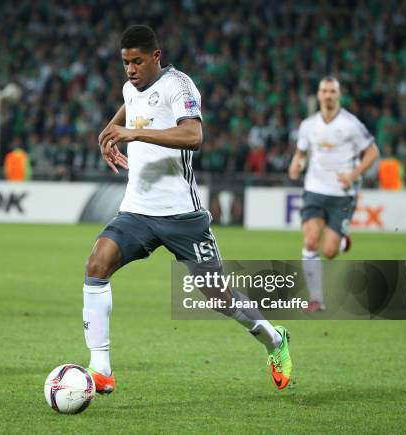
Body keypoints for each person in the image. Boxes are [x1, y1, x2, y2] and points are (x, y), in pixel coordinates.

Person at [82, 25, 292, 393]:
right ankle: (101, 369)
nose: (130, 70)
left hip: (182, 215)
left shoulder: (180, 86)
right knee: (97, 264)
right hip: (138, 210)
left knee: (219, 297)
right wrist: (108, 132)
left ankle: (275, 341)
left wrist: (134, 134)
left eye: (137, 61)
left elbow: (194, 136)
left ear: (156, 57)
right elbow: (130, 104)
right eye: (125, 62)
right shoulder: (131, 87)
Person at [288, 76, 380, 312]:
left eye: (332, 91)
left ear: (338, 95)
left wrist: (354, 174)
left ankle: (341, 242)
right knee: (310, 241)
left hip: (342, 193)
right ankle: (316, 299)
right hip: (314, 189)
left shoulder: (351, 124)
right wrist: (296, 164)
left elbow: (372, 152)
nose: (328, 95)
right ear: (318, 95)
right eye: (324, 91)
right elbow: (301, 153)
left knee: (328, 251)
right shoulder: (308, 125)